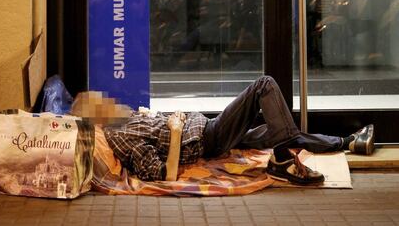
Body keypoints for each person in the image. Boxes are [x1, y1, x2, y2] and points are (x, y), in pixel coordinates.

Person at [71, 76, 374, 185]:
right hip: (208, 137)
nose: (107, 100)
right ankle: (282, 160)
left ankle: (347, 142)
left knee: (278, 128)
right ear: (97, 119)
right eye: (100, 102)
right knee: (264, 85)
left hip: (208, 132)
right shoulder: (123, 137)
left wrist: (158, 118)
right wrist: (175, 131)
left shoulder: (124, 122)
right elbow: (164, 174)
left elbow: (152, 133)